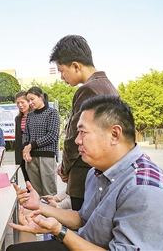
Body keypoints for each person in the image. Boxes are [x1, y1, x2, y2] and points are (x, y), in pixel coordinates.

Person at [7, 95, 163, 251]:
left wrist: (60, 231)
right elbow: (83, 219)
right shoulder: (97, 172)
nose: (77, 140)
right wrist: (40, 207)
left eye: (83, 132)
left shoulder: (145, 190)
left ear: (114, 134)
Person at [50, 35, 119, 210]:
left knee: (80, 227)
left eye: (61, 70)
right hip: (102, 172)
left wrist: (64, 168)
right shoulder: (108, 85)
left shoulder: (88, 90)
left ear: (75, 66)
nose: (61, 77)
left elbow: (75, 136)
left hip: (85, 173)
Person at [22, 87, 60, 196]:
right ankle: (38, 213)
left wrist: (31, 146)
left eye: (32, 99)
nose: (30, 103)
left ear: (41, 97)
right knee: (35, 193)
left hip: (46, 157)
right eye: (28, 100)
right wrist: (26, 149)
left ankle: (51, 213)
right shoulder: (30, 115)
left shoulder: (52, 113)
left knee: (49, 192)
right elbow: (26, 134)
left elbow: (52, 135)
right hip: (31, 158)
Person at [14, 91, 31, 182]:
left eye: (22, 102)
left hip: (32, 153)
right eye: (18, 103)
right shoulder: (18, 119)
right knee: (27, 180)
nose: (20, 105)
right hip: (22, 153)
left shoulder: (34, 116)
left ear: (28, 102)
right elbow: (18, 139)